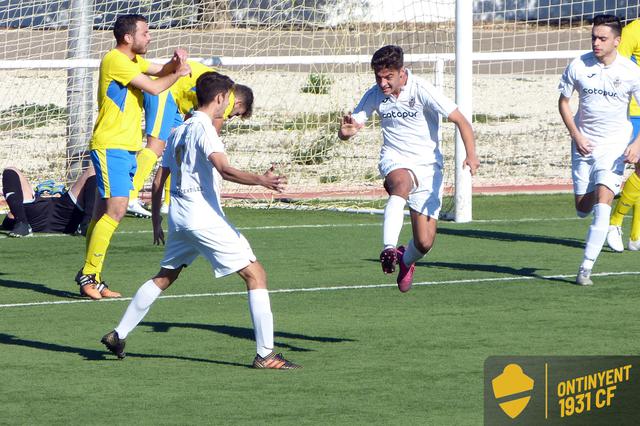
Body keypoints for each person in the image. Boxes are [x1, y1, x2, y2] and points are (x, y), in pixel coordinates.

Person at [100, 72, 301, 369]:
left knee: (165, 276)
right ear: (220, 98)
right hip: (201, 216)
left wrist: (157, 221)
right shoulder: (205, 128)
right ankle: (266, 354)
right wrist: (261, 180)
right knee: (256, 274)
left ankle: (119, 333)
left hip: (179, 217)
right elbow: (224, 169)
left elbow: (158, 181)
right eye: (228, 100)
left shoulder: (178, 130)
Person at [338, 45, 479, 293]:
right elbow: (353, 124)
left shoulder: (422, 90)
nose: (382, 83)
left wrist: (471, 154)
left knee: (424, 242)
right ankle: (389, 249)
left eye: (387, 77)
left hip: (428, 167)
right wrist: (345, 132)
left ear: (401, 72)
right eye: (378, 77)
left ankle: (405, 260)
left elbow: (461, 120)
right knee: (400, 184)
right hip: (395, 159)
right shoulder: (374, 94)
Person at [74, 14, 191, 300]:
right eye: (145, 33)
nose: (149, 37)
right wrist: (178, 73)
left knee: (105, 211)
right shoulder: (115, 60)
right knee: (117, 209)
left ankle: (93, 275)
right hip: (110, 145)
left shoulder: (132, 62)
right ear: (128, 37)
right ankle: (89, 274)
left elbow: (159, 70)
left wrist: (175, 63)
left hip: (125, 146)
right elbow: (154, 86)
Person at [558, 14, 640, 286]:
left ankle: (585, 268)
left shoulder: (630, 72)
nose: (596, 42)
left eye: (602, 38)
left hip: (615, 144)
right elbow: (564, 102)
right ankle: (605, 185)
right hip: (584, 144)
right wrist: (576, 134)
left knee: (604, 200)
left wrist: (637, 144)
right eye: (594, 37)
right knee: (583, 208)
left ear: (617, 41)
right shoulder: (579, 65)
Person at [127, 60, 254, 218]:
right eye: (236, 114)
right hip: (164, 90)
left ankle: (168, 202)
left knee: (175, 149)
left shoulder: (219, 89)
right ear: (238, 103)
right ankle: (129, 196)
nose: (230, 117)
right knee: (155, 146)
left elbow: (190, 126)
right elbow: (211, 135)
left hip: (174, 99)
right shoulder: (227, 100)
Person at [607, 18, 640, 252]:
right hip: (635, 111)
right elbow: (616, 67)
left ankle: (636, 237)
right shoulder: (632, 31)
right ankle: (614, 222)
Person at [1, 165, 96, 237]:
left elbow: (8, 221)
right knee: (10, 170)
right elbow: (9, 220)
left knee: (95, 169)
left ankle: (86, 224)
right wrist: (17, 213)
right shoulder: (34, 198)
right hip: (34, 215)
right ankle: (22, 223)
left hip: (67, 212)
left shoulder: (65, 197)